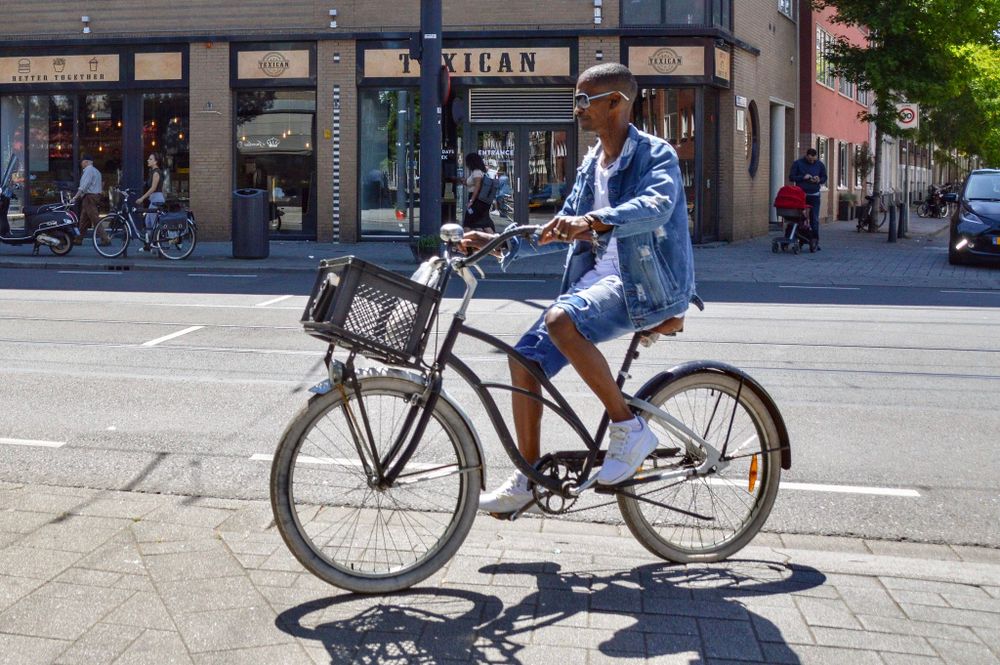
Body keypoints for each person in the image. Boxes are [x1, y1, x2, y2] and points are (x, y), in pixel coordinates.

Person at [462, 63, 697, 514]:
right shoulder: (593, 163)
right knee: (524, 363)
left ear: (617, 103)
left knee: (560, 320)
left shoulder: (656, 154)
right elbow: (558, 225)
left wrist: (592, 221)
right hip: (599, 280)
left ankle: (629, 430)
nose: (577, 110)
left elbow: (657, 206)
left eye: (585, 100)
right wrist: (498, 243)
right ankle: (529, 479)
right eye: (576, 100)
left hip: (644, 285)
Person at [788, 148, 827, 249]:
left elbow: (824, 177)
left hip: (815, 195)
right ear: (806, 156)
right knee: (799, 218)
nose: (812, 161)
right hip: (801, 196)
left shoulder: (820, 164)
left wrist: (819, 179)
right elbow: (791, 177)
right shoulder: (798, 163)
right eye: (810, 159)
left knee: (814, 219)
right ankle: (798, 239)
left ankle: (815, 241)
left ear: (816, 157)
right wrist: (803, 177)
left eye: (814, 159)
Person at [70, 155, 102, 246]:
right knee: (83, 220)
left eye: (82, 161)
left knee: (95, 219)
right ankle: (78, 239)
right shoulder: (97, 171)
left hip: (89, 197)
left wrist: (75, 197)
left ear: (86, 162)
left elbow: (84, 186)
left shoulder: (88, 171)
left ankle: (105, 239)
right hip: (95, 196)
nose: (81, 163)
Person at [136, 152, 165, 246]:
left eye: (150, 159)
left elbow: (153, 188)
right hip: (154, 199)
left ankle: (158, 246)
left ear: (156, 161)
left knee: (153, 224)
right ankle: (149, 245)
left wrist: (142, 198)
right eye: (148, 159)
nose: (148, 160)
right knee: (148, 221)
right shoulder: (153, 172)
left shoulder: (156, 172)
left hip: (156, 200)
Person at [463, 152, 495, 232]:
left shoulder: (476, 172)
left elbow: (477, 187)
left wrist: (471, 201)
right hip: (479, 201)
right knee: (483, 223)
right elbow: (472, 184)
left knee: (468, 223)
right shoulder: (480, 172)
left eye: (467, 161)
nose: (466, 164)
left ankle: (465, 243)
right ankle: (495, 242)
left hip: (476, 200)